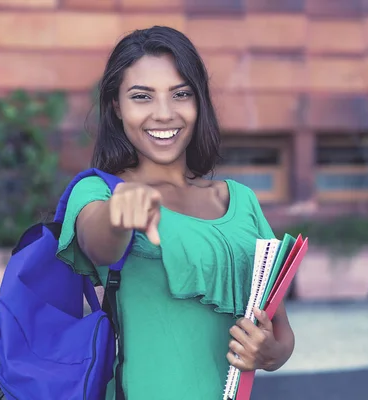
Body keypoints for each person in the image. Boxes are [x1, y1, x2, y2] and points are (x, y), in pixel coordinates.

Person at [56, 26, 295, 399]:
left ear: (198, 102)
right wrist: (119, 215)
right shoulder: (99, 192)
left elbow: (279, 331)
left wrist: (269, 353)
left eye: (180, 94)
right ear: (117, 106)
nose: (164, 114)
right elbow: (98, 242)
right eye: (142, 97)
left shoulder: (241, 201)